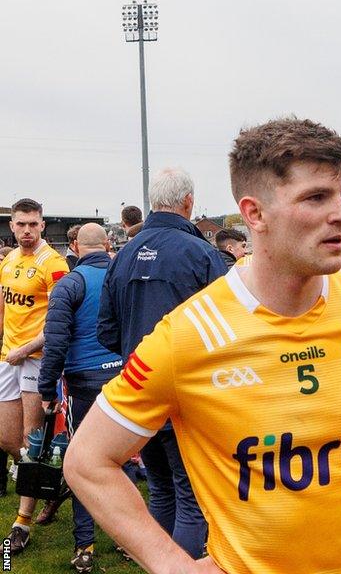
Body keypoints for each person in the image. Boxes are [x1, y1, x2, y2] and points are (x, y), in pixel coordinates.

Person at [66, 117, 341, 573]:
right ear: (254, 214)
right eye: (316, 197)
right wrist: (174, 566)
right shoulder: (188, 334)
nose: (340, 214)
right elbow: (87, 460)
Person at [97, 167, 228, 559]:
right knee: (189, 494)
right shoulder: (201, 252)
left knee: (161, 488)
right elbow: (228, 328)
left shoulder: (122, 256)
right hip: (189, 394)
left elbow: (106, 330)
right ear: (189, 202)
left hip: (138, 388)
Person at [37, 223, 122, 573]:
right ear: (106, 244)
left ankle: (84, 545)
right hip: (125, 377)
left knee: (84, 462)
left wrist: (46, 391)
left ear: (74, 246)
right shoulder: (123, 277)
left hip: (84, 382)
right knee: (124, 459)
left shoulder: (69, 283)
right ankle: (126, 539)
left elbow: (54, 342)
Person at [0, 198, 70, 554]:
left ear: (42, 225)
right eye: (21, 224)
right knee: (7, 439)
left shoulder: (53, 263)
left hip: (35, 359)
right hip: (7, 358)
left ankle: (21, 524)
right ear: (12, 226)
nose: (26, 230)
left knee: (30, 442)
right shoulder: (9, 260)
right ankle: (52, 485)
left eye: (33, 224)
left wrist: (25, 350)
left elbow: (58, 320)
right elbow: (5, 305)